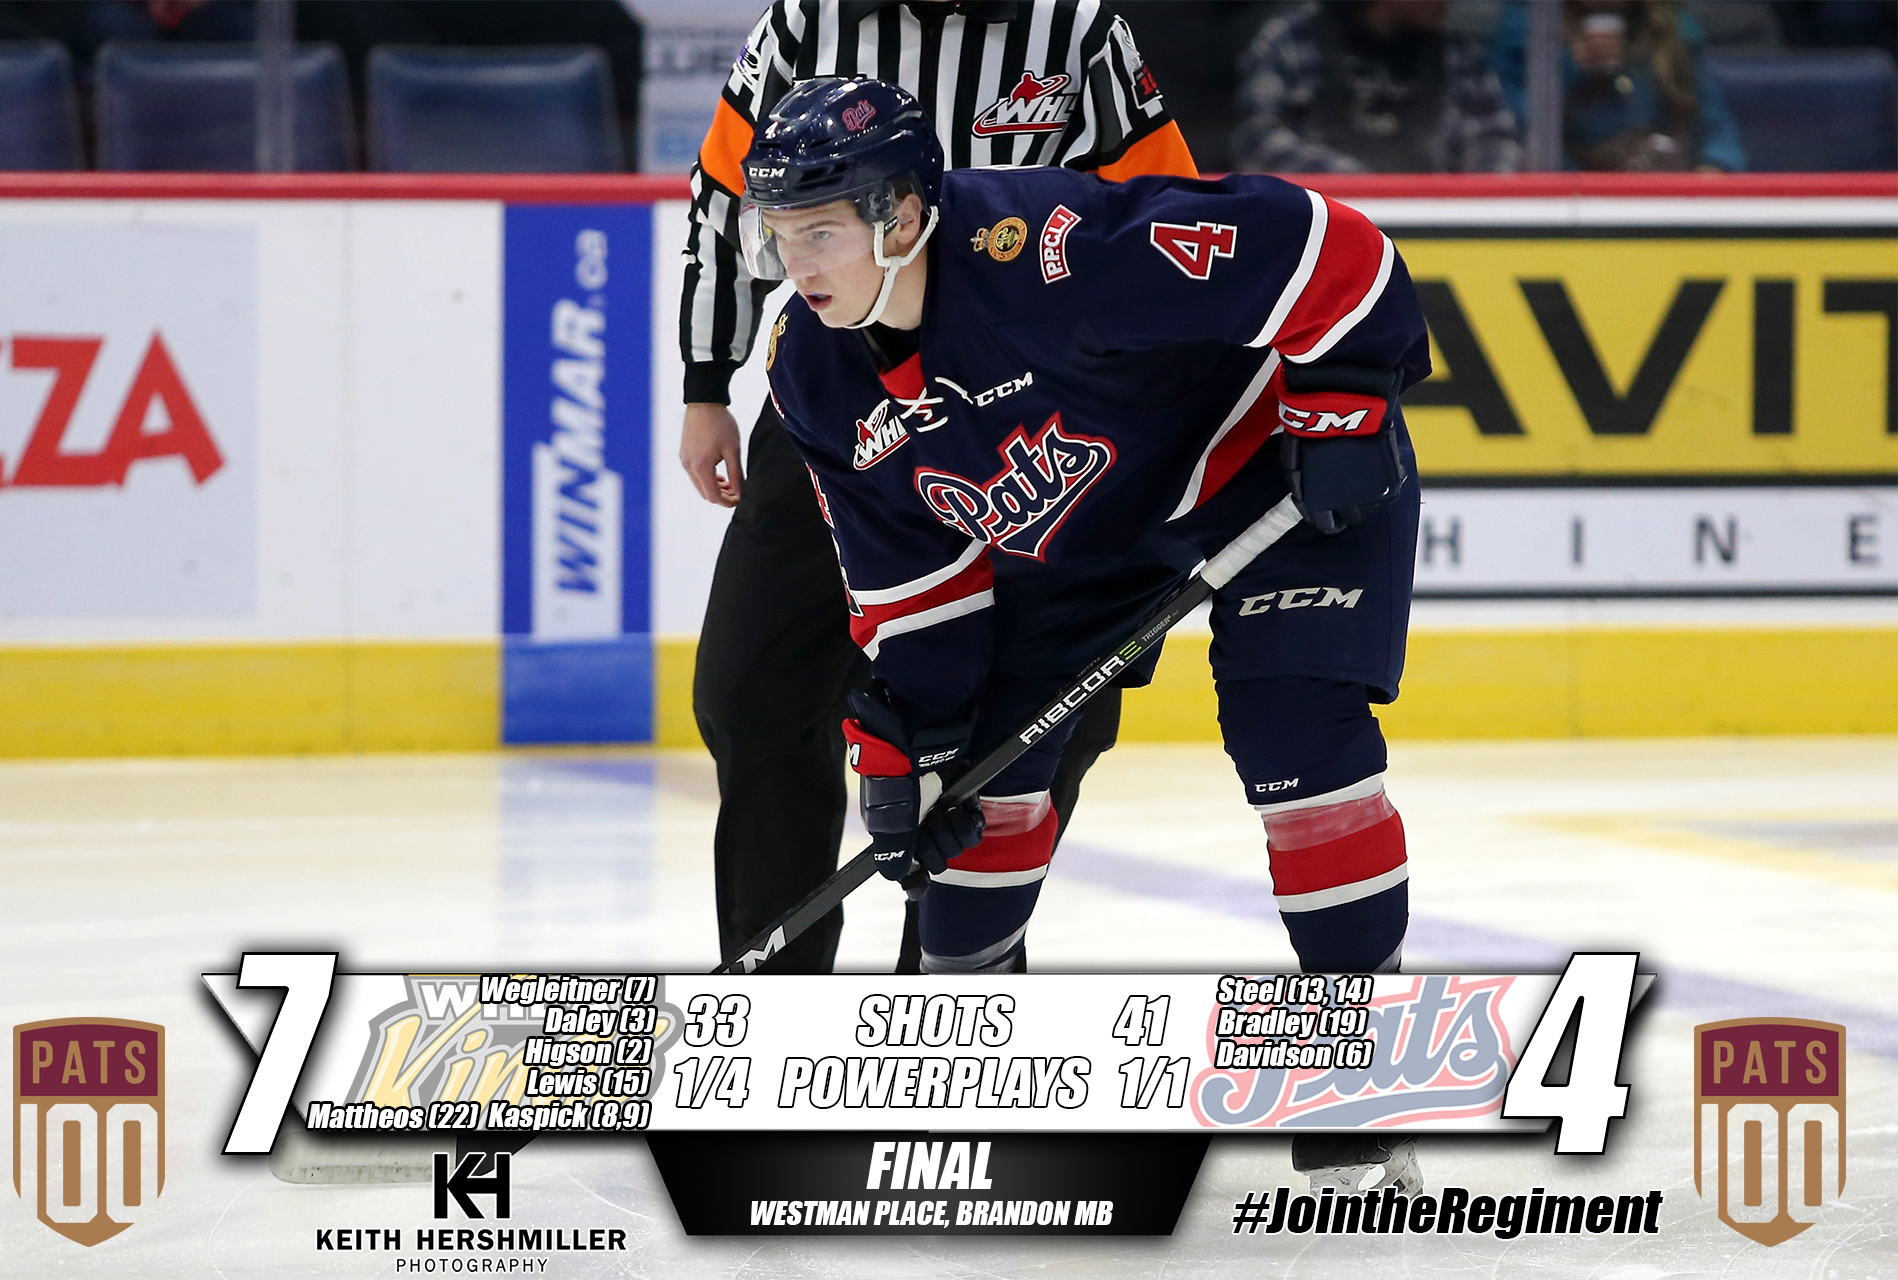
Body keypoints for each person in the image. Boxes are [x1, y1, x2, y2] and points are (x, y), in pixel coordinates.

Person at [746, 75, 1430, 1193]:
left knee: (1299, 746)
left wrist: (1344, 400)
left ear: (902, 215)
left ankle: (1358, 1085)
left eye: (819, 232)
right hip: (1086, 538)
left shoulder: (1051, 253)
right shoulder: (811, 371)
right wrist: (912, 742)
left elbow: (1330, 249)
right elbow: (914, 584)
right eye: (779, 234)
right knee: (979, 785)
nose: (797, 265)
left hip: (1277, 479)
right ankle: (971, 1073)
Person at [681, 0, 1198, 977]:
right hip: (840, 402)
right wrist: (707, 382)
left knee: (1034, 719)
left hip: (1033, 413)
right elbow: (725, 193)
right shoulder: (807, 20)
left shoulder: (1076, 28)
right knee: (753, 693)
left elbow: (1163, 210)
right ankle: (774, 995)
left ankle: (952, 991)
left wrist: (1158, 424)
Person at [1232, 0, 1523, 173]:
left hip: (1434, 224)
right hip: (1319, 223)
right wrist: (1352, 183)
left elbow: (1495, 138)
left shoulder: (1455, 52)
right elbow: (1257, 139)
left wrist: (1472, 198)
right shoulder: (1292, 39)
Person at [1489, 0, 1746, 171]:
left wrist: (1714, 168)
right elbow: (1513, 131)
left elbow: (1715, 127)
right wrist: (1570, 68)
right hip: (1569, 197)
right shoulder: (1526, 33)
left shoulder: (1675, 32)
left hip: (1660, 189)